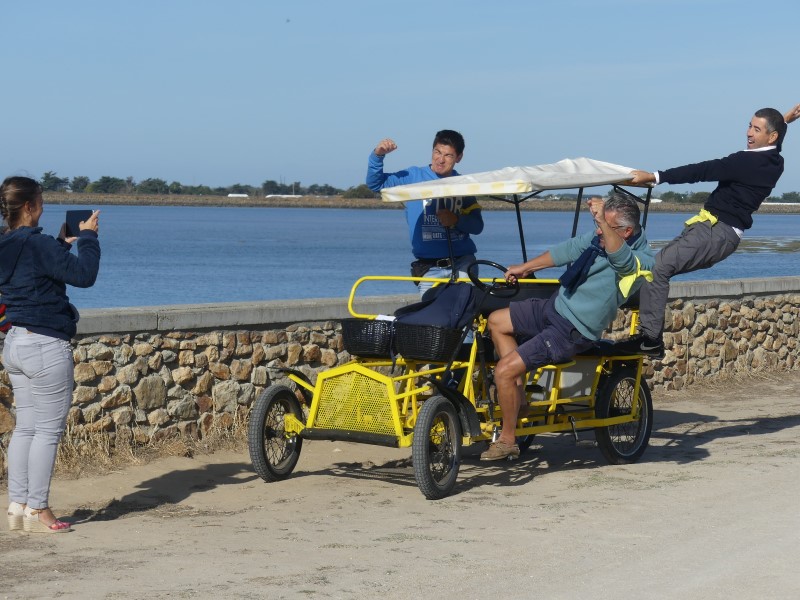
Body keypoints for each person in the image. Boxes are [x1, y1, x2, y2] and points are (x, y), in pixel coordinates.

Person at [616, 104, 800, 358]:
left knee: (656, 269)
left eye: (756, 129)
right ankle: (641, 321)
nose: (749, 132)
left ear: (771, 136)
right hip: (717, 232)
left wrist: (654, 177)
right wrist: (785, 120)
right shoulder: (775, 162)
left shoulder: (744, 161)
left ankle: (650, 339)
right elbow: (775, 143)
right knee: (650, 266)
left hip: (715, 232)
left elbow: (702, 170)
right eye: (749, 125)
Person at [482, 193, 655, 461]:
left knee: (503, 371)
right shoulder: (600, 238)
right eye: (599, 225)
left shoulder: (642, 259)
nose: (598, 230)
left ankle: (508, 439)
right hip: (554, 308)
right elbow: (568, 250)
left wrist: (604, 223)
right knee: (496, 321)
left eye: (605, 227)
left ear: (627, 231)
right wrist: (525, 268)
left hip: (572, 330)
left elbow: (621, 260)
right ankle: (519, 399)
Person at [1, 176, 100, 533]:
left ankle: (18, 502)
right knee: (47, 432)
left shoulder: (7, 243)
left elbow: (34, 274)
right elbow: (84, 275)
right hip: (45, 345)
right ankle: (40, 509)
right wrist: (88, 238)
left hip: (15, 343)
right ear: (29, 206)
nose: (43, 205)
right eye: (41, 200)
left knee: (25, 428)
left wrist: (62, 242)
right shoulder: (38, 245)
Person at [366, 129, 484, 298]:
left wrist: (456, 219)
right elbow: (376, 184)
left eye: (448, 155)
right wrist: (378, 156)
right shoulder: (413, 176)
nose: (440, 160)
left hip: (463, 264)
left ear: (459, 157)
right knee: (429, 319)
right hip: (429, 268)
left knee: (465, 314)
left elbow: (478, 226)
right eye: (437, 152)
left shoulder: (463, 185)